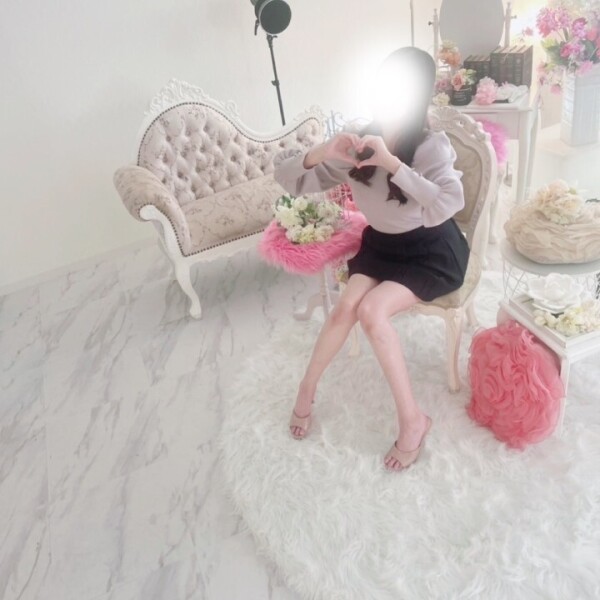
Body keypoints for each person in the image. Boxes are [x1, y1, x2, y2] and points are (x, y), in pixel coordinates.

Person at [273, 46, 469, 471]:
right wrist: (323, 150)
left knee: (372, 312)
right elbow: (287, 178)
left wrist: (393, 164)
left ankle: (413, 420)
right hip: (382, 245)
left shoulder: (432, 146)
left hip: (430, 250)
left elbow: (447, 204)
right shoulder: (357, 141)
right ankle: (307, 389)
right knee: (345, 307)